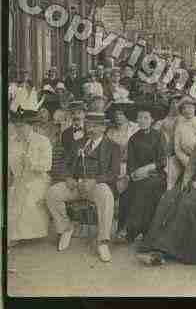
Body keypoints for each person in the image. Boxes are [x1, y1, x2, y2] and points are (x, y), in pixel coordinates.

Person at [136, 105, 196, 265]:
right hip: (194, 179)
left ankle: (171, 251)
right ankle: (153, 245)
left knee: (186, 204)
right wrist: (186, 180)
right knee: (169, 198)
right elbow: (192, 164)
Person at [46, 112, 121, 262]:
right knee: (53, 193)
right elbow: (66, 164)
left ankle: (102, 241)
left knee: (106, 195)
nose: (90, 129)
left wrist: (95, 180)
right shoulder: (78, 143)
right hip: (75, 184)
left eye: (94, 126)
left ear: (103, 128)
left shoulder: (113, 147)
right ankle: (65, 228)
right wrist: (68, 177)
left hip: (97, 186)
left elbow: (114, 173)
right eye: (88, 125)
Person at [8, 109, 52, 246]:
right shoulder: (12, 141)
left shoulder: (42, 140)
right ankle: (13, 234)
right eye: (16, 126)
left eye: (22, 126)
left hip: (38, 179)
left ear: (31, 126)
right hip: (18, 179)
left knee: (28, 200)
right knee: (11, 198)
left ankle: (21, 235)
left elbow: (47, 165)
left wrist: (32, 164)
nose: (18, 129)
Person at [125, 105, 168, 242]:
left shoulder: (159, 136)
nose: (142, 120)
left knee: (145, 188)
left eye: (146, 118)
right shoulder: (133, 139)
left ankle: (139, 229)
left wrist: (147, 169)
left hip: (156, 175)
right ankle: (134, 229)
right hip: (138, 176)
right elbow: (130, 164)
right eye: (140, 118)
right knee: (130, 190)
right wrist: (133, 174)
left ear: (151, 120)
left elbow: (162, 161)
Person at [105, 102, 139, 239]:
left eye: (121, 114)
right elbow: (107, 152)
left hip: (132, 166)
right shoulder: (110, 131)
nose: (118, 117)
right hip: (114, 166)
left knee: (128, 191)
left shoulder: (135, 128)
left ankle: (125, 228)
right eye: (116, 114)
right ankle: (112, 228)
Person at [153, 94, 183, 191]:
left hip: (176, 153)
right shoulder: (163, 120)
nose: (175, 105)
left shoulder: (181, 119)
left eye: (177, 103)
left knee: (170, 167)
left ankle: (168, 191)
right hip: (163, 151)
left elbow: (177, 139)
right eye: (173, 103)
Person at [174, 96, 196, 182]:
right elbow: (177, 149)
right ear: (182, 111)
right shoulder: (179, 126)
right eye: (184, 108)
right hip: (187, 161)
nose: (187, 110)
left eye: (190, 107)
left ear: (194, 108)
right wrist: (187, 162)